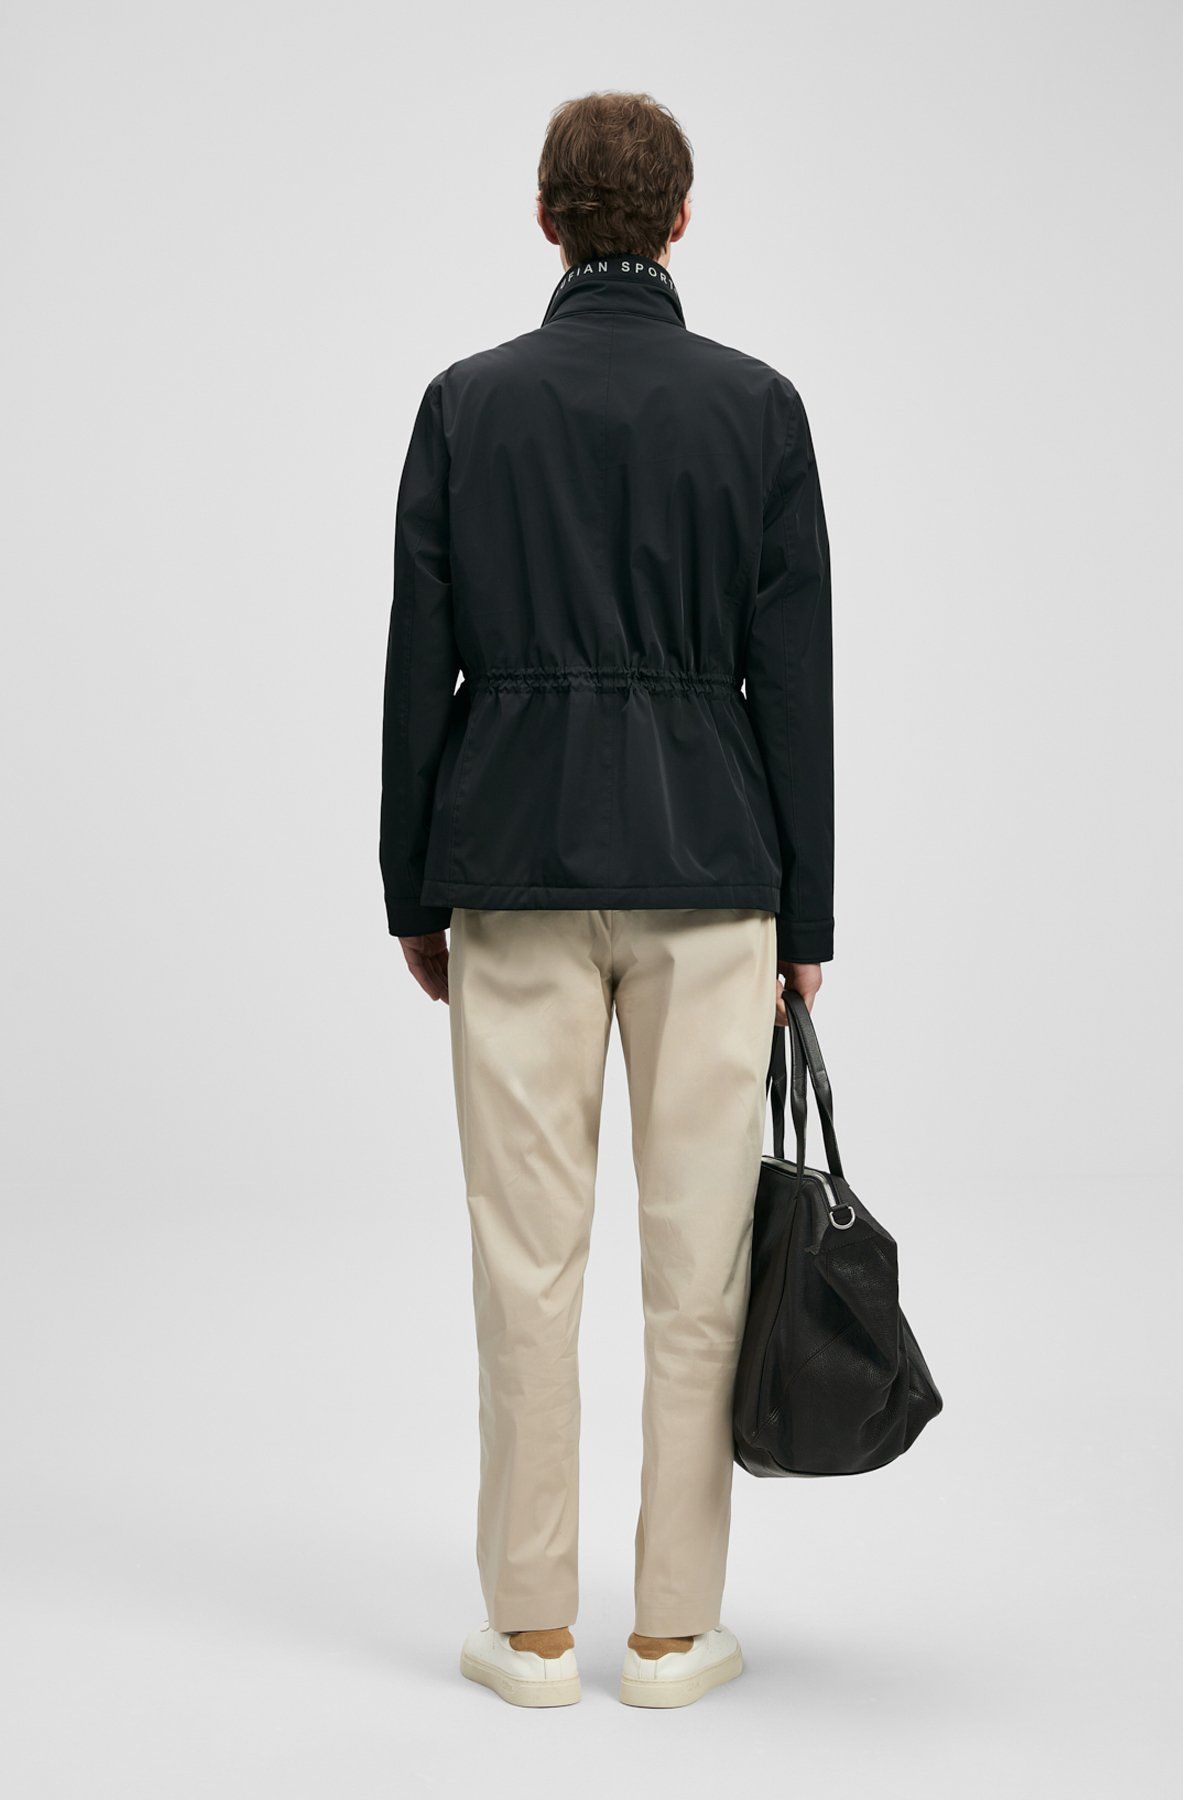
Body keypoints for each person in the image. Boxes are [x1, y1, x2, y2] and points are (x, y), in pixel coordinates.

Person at [380, 91, 833, 1710]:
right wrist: (808, 922)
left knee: (527, 1262)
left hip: (507, 866)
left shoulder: (467, 404)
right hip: (713, 876)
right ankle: (670, 1633)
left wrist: (412, 889)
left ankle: (527, 1631)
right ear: (682, 220)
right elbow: (795, 681)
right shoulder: (757, 408)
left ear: (548, 219)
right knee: (700, 1266)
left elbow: (415, 668)